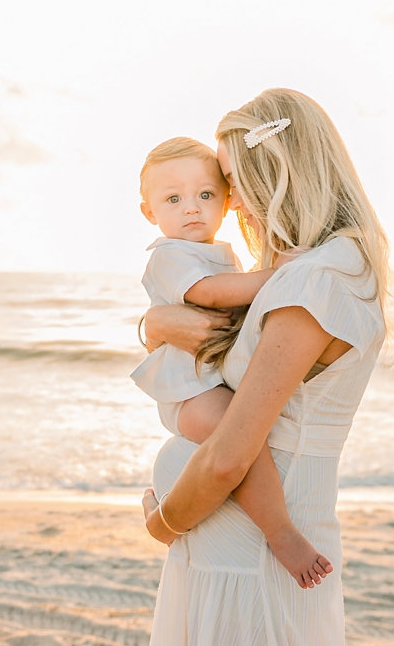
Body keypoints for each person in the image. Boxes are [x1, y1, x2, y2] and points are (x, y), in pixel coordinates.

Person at [138, 88, 390, 646]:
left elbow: (229, 456)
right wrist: (155, 326)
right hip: (235, 544)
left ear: (271, 171)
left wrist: (163, 521)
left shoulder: (313, 280)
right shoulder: (322, 268)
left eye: (230, 180)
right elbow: (207, 339)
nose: (229, 200)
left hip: (250, 547)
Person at [133, 136, 332, 588]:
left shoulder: (220, 253)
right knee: (239, 443)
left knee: (242, 438)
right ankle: (280, 533)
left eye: (206, 195)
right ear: (150, 213)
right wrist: (278, 273)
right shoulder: (169, 255)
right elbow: (209, 294)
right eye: (173, 199)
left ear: (225, 200)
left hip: (207, 381)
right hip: (192, 392)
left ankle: (275, 527)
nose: (191, 208)